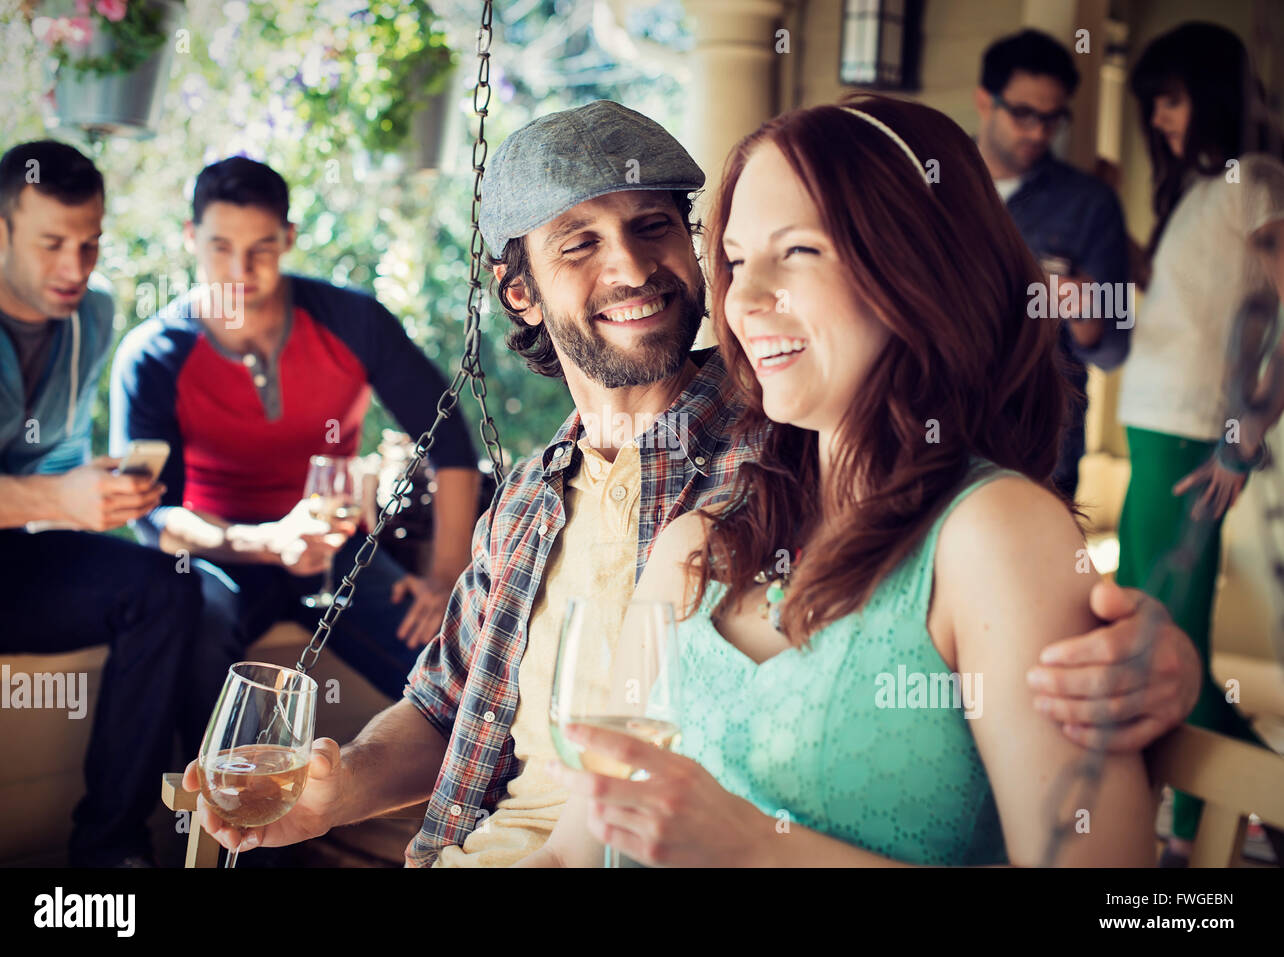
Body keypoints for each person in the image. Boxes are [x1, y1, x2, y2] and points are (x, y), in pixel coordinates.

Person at [183, 101, 1202, 868]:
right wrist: (336, 786)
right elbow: (472, 722)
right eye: (579, 242)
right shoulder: (584, 503)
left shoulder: (765, 446)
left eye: (657, 227)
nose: (638, 269)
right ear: (518, 290)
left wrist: (1156, 658)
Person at [525, 94, 1157, 867]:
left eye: (797, 252)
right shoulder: (700, 544)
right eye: (734, 259)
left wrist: (760, 849)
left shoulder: (996, 535)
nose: (745, 301)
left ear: (918, 266)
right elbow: (573, 850)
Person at [109, 156, 482, 746]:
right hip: (218, 555)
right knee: (198, 634)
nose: (240, 269)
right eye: (220, 247)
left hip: (335, 551)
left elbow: (449, 438)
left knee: (450, 662)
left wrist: (444, 576)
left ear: (288, 238)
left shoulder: (353, 320)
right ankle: (234, 832)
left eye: (261, 247)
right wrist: (262, 543)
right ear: (190, 239)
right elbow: (153, 517)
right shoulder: (152, 355)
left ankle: (485, 820)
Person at [0, 140, 200, 867]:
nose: (75, 267)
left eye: (90, 242)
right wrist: (56, 496)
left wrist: (95, 483)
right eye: (51, 244)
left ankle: (112, 847)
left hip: (4, 551)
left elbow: (42, 454)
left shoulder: (93, 312)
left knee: (165, 586)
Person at [1116, 22, 1284, 866]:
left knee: (1168, 647)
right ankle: (1185, 830)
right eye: (1155, 103)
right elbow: (1191, 296)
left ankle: (1265, 801)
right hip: (1155, 427)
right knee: (1143, 631)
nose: (1163, 117)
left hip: (1192, 438)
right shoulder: (1205, 189)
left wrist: (1242, 437)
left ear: (1214, 92)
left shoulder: (1255, 180)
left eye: (1174, 98)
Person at [974, 29, 1131, 498]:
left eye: (1052, 118)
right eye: (1024, 114)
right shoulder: (931, 182)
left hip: (1042, 450)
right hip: (933, 435)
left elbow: (1115, 347)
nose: (1039, 132)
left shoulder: (1091, 203)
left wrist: (1085, 311)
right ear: (986, 100)